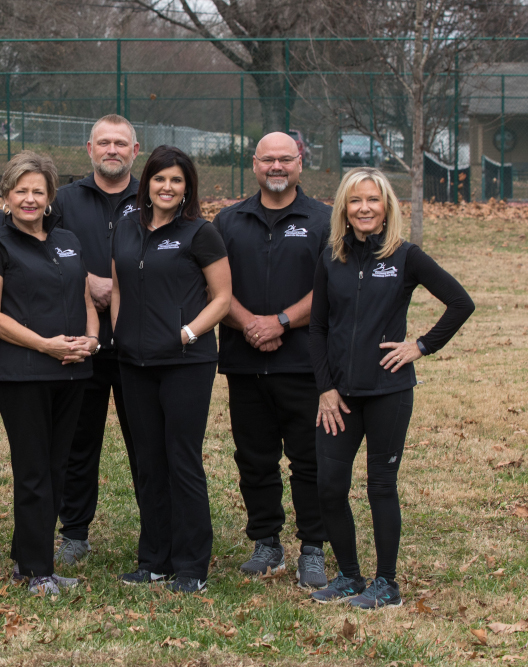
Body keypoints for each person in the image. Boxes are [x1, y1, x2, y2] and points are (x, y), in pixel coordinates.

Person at [309, 167, 474, 608]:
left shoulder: (405, 255)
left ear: (386, 208)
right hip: (338, 397)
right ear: (345, 207)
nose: (364, 208)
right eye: (356, 200)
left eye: (373, 200)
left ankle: (387, 584)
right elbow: (319, 327)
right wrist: (326, 387)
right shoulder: (331, 256)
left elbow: (461, 302)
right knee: (328, 485)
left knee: (381, 485)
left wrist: (420, 346)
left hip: (388, 392)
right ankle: (348, 576)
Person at [0, 151, 100, 596]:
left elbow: (85, 299)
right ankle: (35, 569)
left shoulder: (67, 239)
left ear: (49, 198)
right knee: (33, 472)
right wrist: (44, 344)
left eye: (38, 191)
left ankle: (31, 562)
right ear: (5, 196)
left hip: (71, 371)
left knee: (57, 468)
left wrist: (91, 339)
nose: (29, 199)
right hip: (23, 372)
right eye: (21, 191)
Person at [212, 131, 331, 587]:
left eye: (286, 159)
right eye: (268, 160)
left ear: (301, 163)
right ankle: (266, 542)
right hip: (244, 361)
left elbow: (330, 287)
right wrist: (250, 325)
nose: (276, 167)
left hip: (304, 362)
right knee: (254, 457)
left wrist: (280, 321)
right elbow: (215, 287)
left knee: (309, 458)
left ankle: (313, 547)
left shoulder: (323, 220)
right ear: (255, 164)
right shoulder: (228, 221)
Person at [110, 145, 231, 592]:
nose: (167, 187)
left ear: (187, 188)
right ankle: (154, 559)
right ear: (147, 184)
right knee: (148, 463)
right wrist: (120, 332)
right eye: (160, 178)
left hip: (185, 362)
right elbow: (119, 284)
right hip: (134, 362)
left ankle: (192, 565)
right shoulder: (125, 227)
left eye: (176, 180)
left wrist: (186, 334)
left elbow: (221, 299)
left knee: (182, 460)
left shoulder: (200, 233)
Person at [52, 114, 141, 566]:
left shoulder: (154, 196)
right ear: (88, 149)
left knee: (145, 441)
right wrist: (89, 280)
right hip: (79, 342)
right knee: (77, 441)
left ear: (134, 150)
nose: (112, 150)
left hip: (138, 345)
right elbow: (41, 250)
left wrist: (119, 284)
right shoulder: (63, 199)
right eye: (103, 142)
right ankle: (74, 532)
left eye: (120, 143)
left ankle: (157, 531)